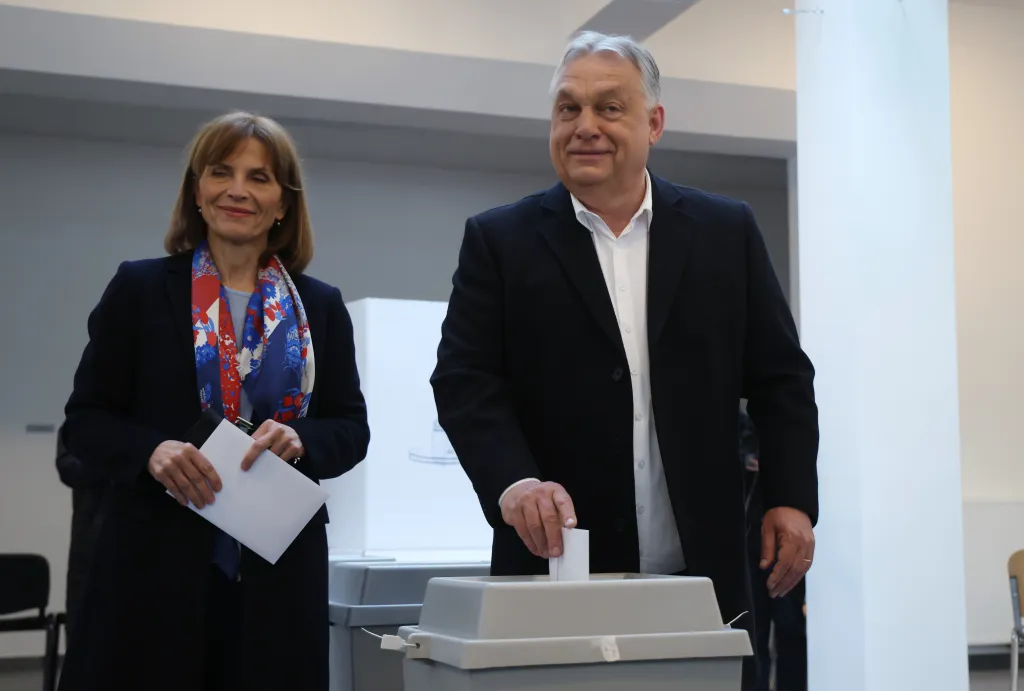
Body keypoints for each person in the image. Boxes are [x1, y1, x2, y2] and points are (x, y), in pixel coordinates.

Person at [430, 31, 818, 689]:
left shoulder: (726, 231)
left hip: (705, 578)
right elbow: (465, 380)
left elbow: (782, 377)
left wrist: (791, 497)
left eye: (610, 108)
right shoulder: (500, 241)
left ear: (654, 123)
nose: (586, 127)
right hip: (558, 578)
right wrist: (515, 481)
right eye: (567, 108)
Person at [58, 111, 370, 691]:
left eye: (260, 178)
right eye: (221, 172)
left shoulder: (320, 306)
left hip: (279, 568)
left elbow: (351, 428)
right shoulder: (141, 287)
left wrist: (304, 437)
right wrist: (151, 450)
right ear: (197, 191)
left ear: (282, 204)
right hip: (154, 563)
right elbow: (86, 422)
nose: (237, 190)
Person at [741, 407, 808, 691]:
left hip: (785, 545)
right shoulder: (739, 426)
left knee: (791, 632)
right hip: (749, 546)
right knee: (754, 635)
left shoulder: (793, 429)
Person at [54, 423, 107, 641]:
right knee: (83, 626)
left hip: (144, 541)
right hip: (91, 540)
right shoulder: (79, 423)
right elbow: (69, 469)